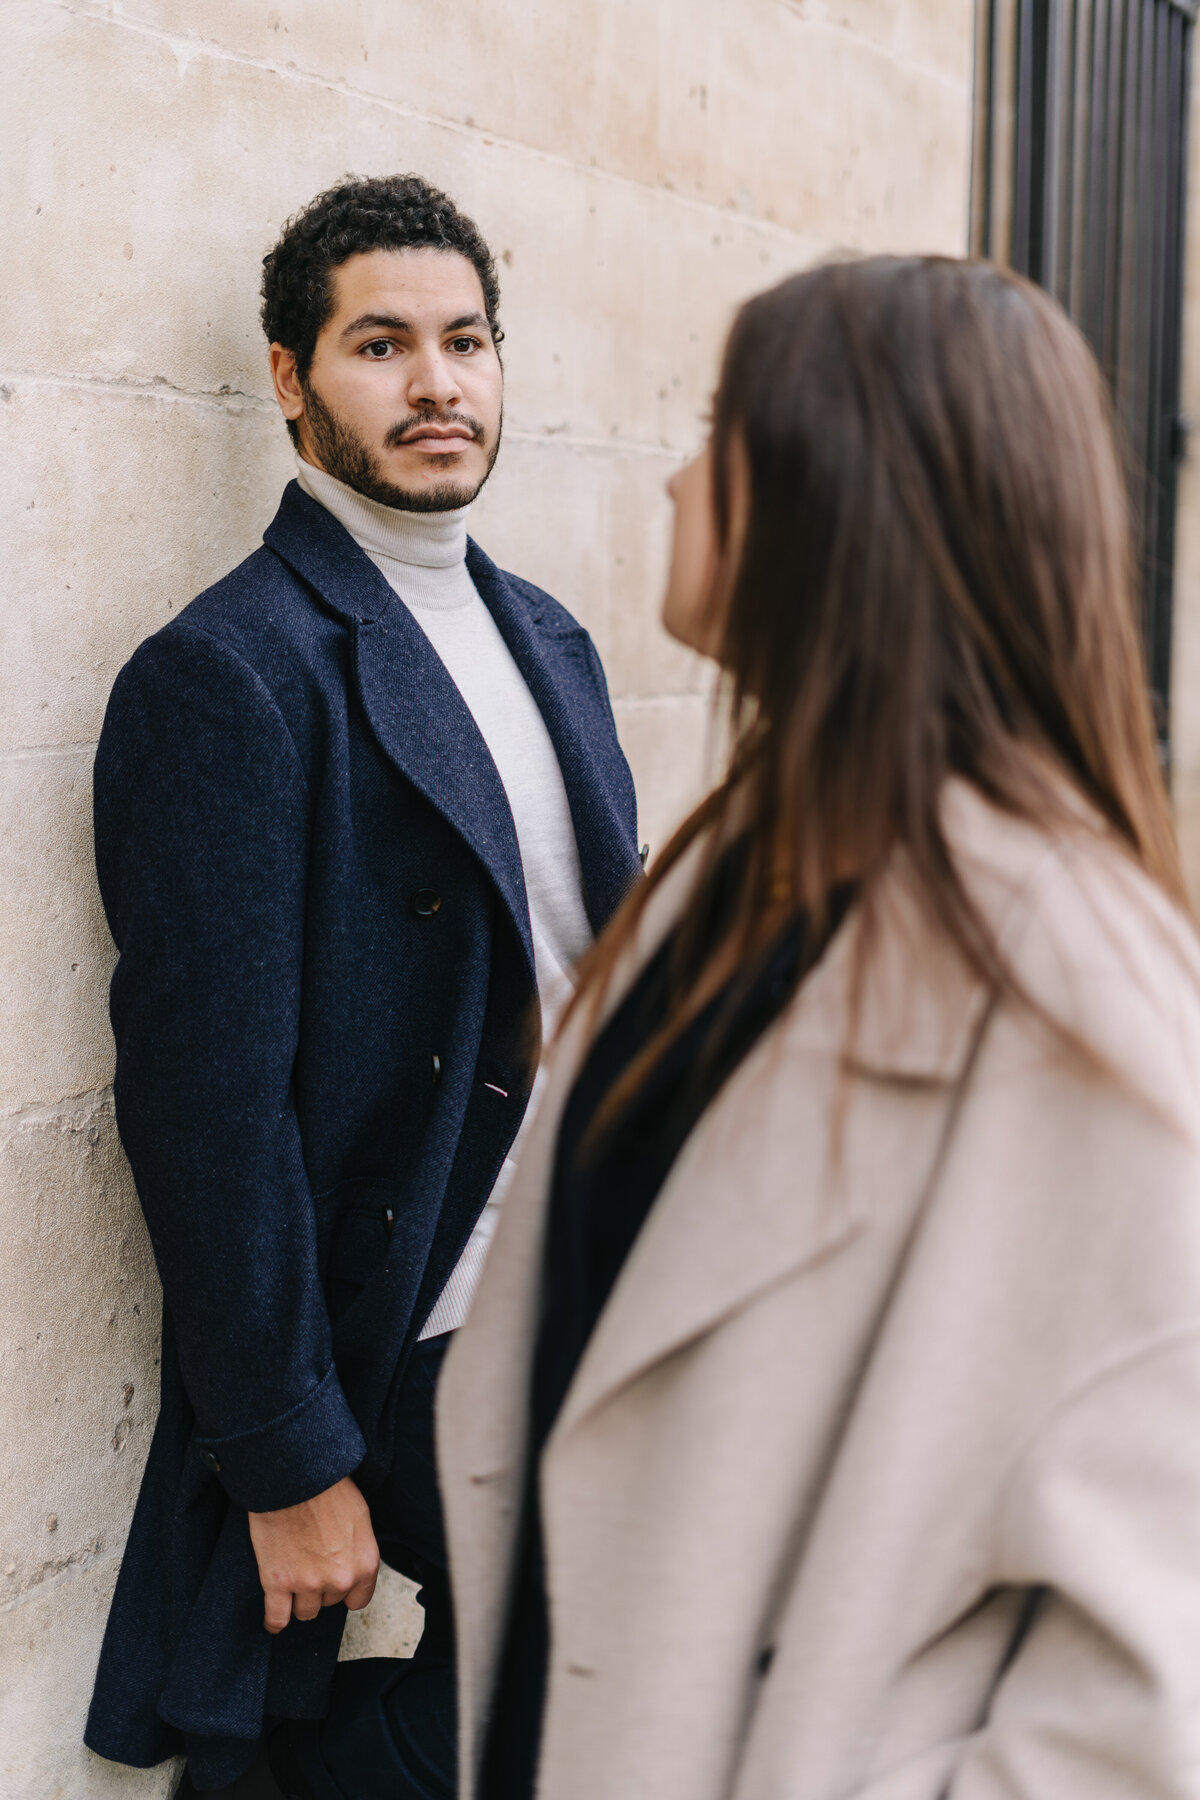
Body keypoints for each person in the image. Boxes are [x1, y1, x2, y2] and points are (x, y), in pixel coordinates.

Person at [437, 255, 1200, 1800]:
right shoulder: (738, 864)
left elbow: (1143, 1704)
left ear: (843, 492)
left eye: (719, 427)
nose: (669, 477)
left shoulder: (1068, 980)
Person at [83, 174, 641, 1799]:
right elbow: (205, 1108)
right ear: (288, 378)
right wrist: (289, 1458)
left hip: (591, 1275)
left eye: (464, 341)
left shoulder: (551, 636)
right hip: (418, 1332)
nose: (438, 384)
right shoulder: (230, 672)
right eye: (381, 345)